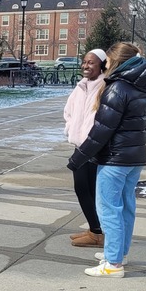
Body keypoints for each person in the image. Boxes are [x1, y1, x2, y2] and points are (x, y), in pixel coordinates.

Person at [68, 42, 146, 278]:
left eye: (108, 60)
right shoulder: (143, 87)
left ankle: (113, 263)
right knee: (126, 207)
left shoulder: (117, 88)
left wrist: (79, 157)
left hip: (115, 160)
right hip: (134, 159)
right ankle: (119, 253)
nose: (106, 64)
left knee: (109, 209)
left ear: (116, 61)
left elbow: (102, 129)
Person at [63, 48, 107, 248]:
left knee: (89, 189)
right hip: (80, 145)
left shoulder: (105, 87)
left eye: (91, 63)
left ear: (102, 65)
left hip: (95, 147)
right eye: (84, 62)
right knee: (83, 188)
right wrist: (70, 127)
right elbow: (69, 111)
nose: (86, 66)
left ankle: (97, 232)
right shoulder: (81, 86)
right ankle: (94, 228)